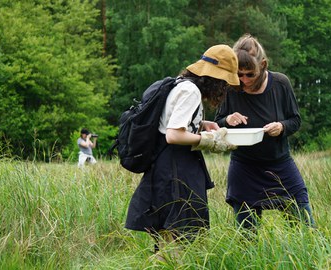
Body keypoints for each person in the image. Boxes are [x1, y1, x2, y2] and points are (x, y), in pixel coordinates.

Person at [124, 44, 239, 260]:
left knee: (167, 243)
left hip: (166, 167)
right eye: (224, 82)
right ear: (215, 78)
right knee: (175, 245)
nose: (224, 89)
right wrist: (210, 141)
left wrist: (203, 124)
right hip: (175, 172)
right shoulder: (191, 91)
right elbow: (174, 135)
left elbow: (170, 120)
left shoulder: (181, 84)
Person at [214, 34, 316, 231]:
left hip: (280, 164)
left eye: (250, 74)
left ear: (263, 65)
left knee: (305, 225)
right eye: (239, 74)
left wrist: (282, 127)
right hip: (244, 167)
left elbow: (295, 120)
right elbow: (217, 123)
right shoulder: (231, 87)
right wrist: (227, 120)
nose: (244, 80)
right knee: (247, 234)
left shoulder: (280, 84)